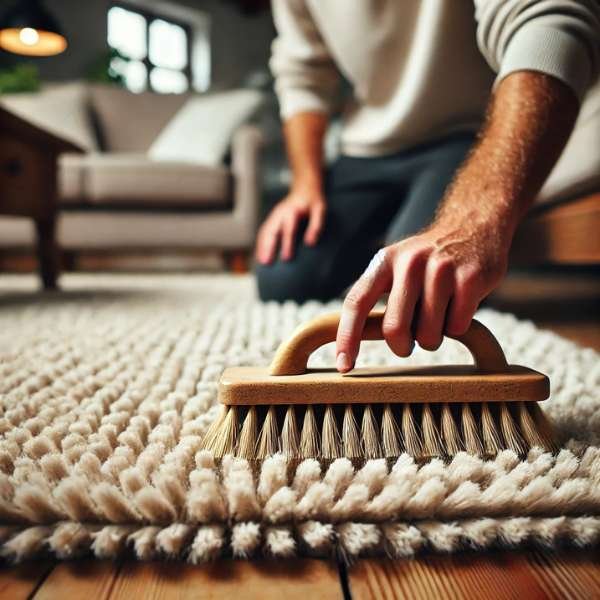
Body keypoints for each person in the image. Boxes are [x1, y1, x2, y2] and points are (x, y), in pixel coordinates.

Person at [255, 1, 600, 373]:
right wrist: (305, 186)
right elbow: (303, 73)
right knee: (284, 274)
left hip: (464, 134)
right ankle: (383, 246)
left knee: (425, 291)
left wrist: (476, 219)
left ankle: (399, 239)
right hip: (364, 147)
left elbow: (546, 18)